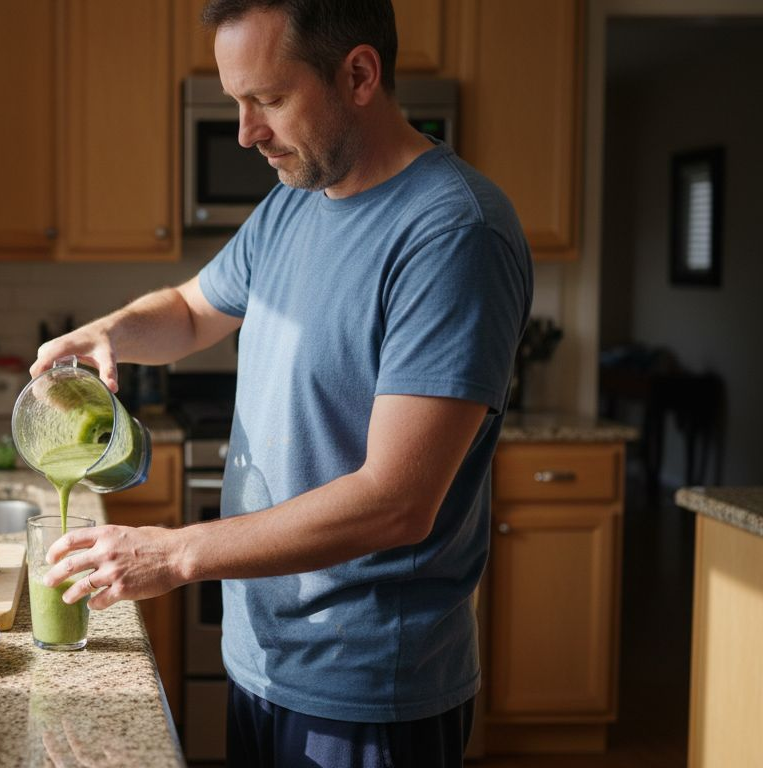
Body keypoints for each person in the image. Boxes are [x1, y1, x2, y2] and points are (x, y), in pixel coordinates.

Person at [30, 0, 533, 765]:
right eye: (237, 102)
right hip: (263, 662)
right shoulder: (296, 201)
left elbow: (396, 501)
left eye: (267, 99)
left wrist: (175, 554)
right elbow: (195, 309)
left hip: (365, 690)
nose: (245, 132)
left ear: (359, 74)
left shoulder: (452, 231)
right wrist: (113, 330)